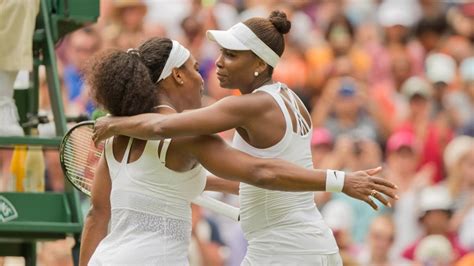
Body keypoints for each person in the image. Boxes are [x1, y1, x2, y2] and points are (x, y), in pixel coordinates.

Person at [92, 11, 397, 265]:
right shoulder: (291, 99)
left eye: (232, 55)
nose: (220, 62)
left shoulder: (247, 105)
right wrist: (182, 183)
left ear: (260, 64)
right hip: (304, 245)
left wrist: (117, 124)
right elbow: (254, 177)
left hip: (285, 251)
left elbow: (165, 128)